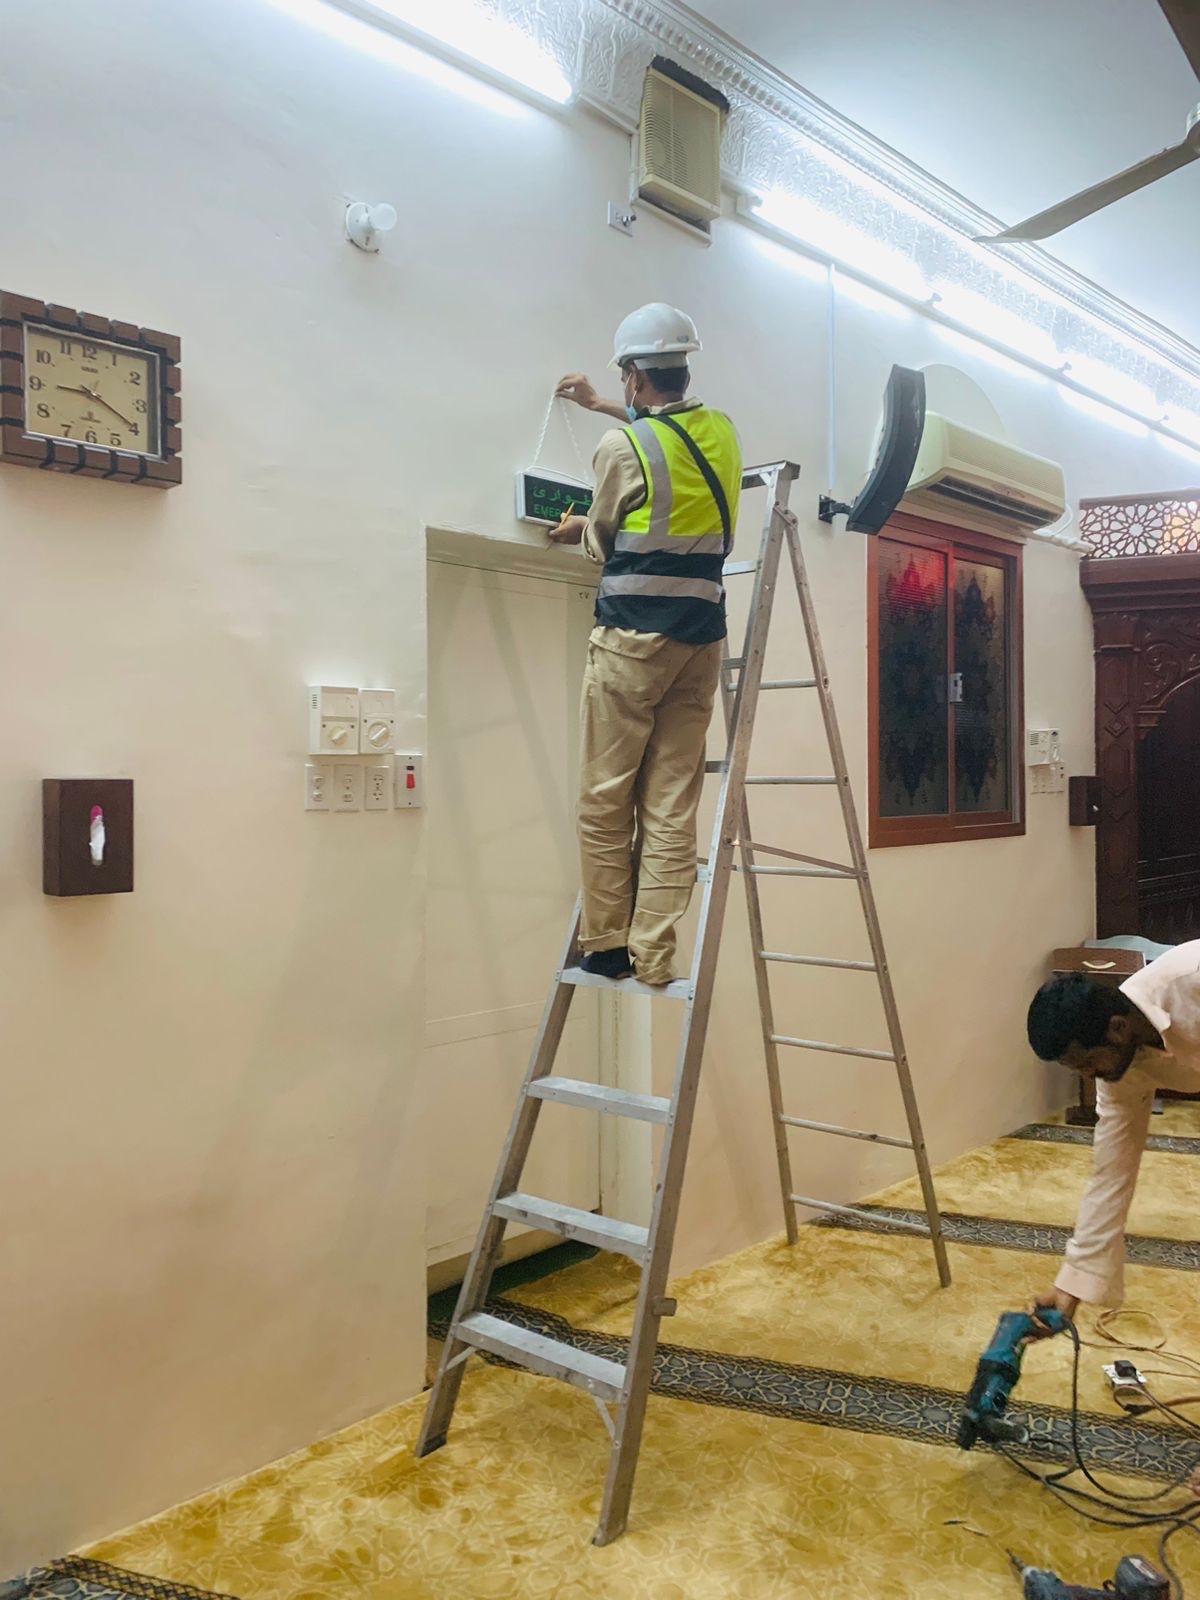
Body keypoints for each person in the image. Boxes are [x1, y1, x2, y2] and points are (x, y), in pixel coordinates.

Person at [547, 303, 742, 987]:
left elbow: (604, 539)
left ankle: (606, 945)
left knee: (606, 797)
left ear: (633, 374)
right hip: (701, 642)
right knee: (670, 801)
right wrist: (603, 406)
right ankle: (654, 954)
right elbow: (668, 443)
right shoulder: (723, 432)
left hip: (632, 641)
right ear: (682, 366)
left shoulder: (618, 449)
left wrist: (581, 529)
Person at [1025, 939, 1200, 1325]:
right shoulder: (1121, 1068)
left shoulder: (1191, 981)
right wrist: (1072, 1285)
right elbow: (1111, 1173)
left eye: (1088, 1062)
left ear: (1118, 1028)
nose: (1090, 1076)